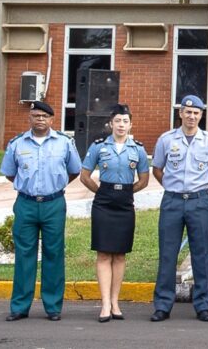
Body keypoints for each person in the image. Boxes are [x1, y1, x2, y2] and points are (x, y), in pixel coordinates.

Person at [1, 101, 81, 322]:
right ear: (30, 118)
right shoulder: (17, 143)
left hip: (53, 204)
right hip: (26, 203)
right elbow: (9, 173)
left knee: (54, 254)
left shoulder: (64, 143)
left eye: (44, 116)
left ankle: (53, 307)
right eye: (36, 115)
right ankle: (20, 306)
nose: (40, 120)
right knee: (24, 255)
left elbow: (74, 170)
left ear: (52, 120)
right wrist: (27, 188)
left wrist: (55, 186)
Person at [150, 95, 208, 323]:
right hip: (172, 201)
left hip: (198, 201)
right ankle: (163, 305)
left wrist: (198, 190)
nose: (192, 116)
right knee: (168, 253)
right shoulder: (166, 139)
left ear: (201, 115)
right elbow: (157, 169)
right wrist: (173, 187)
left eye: (196, 113)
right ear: (180, 113)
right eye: (188, 112)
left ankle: (202, 305)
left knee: (201, 253)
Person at [79, 103, 150, 321]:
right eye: (117, 121)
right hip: (103, 203)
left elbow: (144, 180)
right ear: (111, 123)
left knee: (119, 254)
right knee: (103, 253)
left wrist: (127, 192)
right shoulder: (99, 146)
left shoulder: (137, 149)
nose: (121, 125)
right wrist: (101, 192)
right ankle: (105, 304)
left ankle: (115, 302)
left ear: (131, 125)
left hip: (125, 203)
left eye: (125, 121)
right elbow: (84, 176)